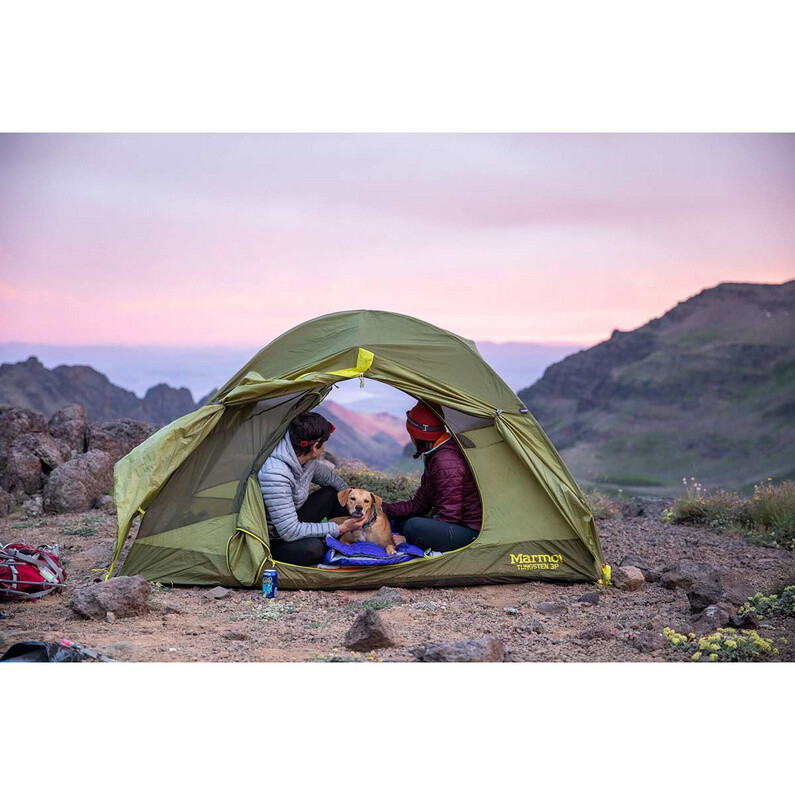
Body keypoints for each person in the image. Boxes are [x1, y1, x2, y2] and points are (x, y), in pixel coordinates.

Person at [258, 412, 364, 566]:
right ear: (315, 446)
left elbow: (333, 481)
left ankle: (358, 532)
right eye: (324, 442)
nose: (325, 447)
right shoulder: (275, 474)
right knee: (314, 549)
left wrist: (362, 505)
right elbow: (289, 531)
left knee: (333, 493)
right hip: (273, 539)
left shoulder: (305, 460)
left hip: (292, 518)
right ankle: (338, 536)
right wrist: (339, 528)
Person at [383, 401, 482, 552]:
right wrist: (381, 507)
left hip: (470, 532)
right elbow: (419, 504)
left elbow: (450, 517)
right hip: (455, 524)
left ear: (418, 435)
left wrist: (407, 538)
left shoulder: (445, 461)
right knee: (400, 522)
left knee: (412, 527)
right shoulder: (436, 453)